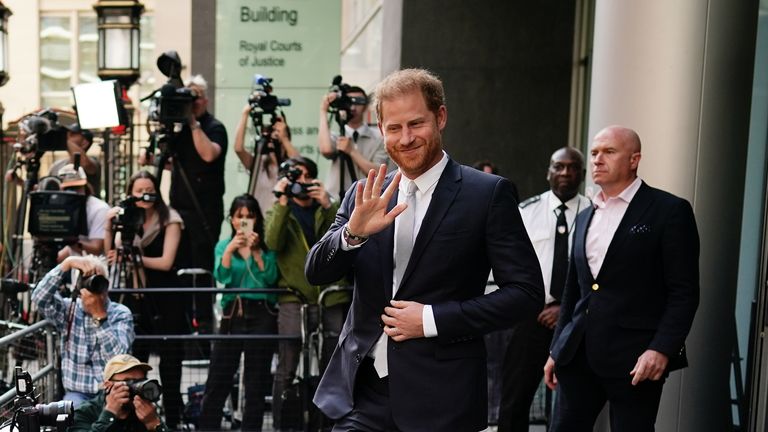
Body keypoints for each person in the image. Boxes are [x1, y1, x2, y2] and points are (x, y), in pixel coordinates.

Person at [305, 68, 544, 431]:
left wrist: (432, 320)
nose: (406, 138)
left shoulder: (487, 194)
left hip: (443, 399)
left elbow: (526, 294)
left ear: (441, 117)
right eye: (394, 128)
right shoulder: (363, 194)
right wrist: (353, 233)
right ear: (381, 128)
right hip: (361, 397)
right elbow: (317, 273)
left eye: (416, 124)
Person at [543, 126, 700, 431]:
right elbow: (573, 290)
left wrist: (662, 349)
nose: (598, 160)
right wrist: (556, 350)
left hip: (636, 360)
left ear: (634, 160)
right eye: (594, 153)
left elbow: (684, 292)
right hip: (577, 355)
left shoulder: (669, 211)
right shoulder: (587, 214)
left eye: (609, 152)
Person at [496, 147, 591, 431]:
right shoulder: (526, 211)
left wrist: (564, 308)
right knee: (514, 400)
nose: (565, 173)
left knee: (572, 403)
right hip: (531, 318)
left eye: (572, 167)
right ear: (548, 172)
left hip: (577, 320)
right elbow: (510, 266)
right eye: (558, 167)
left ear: (582, 175)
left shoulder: (594, 213)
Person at [264, 156, 348, 430]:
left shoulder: (328, 208)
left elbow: (346, 235)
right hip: (294, 298)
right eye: (293, 177)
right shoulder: (280, 210)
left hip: (331, 296)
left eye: (303, 176)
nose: (299, 182)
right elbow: (272, 242)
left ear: (313, 179)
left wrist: (328, 204)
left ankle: (328, 424)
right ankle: (280, 424)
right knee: (286, 368)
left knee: (333, 366)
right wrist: (281, 202)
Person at [142, 74, 228, 343]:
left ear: (205, 99)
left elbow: (208, 154)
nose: (191, 103)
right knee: (179, 271)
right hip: (178, 212)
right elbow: (163, 162)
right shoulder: (177, 130)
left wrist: (192, 123)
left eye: (195, 97)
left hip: (204, 213)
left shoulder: (213, 127)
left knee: (201, 272)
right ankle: (179, 326)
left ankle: (203, 331)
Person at [103, 170, 186, 428]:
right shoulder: (125, 219)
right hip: (135, 297)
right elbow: (110, 254)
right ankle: (134, 422)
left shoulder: (169, 218)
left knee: (170, 366)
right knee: (135, 363)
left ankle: (171, 420)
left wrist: (134, 257)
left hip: (164, 298)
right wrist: (109, 225)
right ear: (130, 194)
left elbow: (166, 262)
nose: (144, 195)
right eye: (138, 191)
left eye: (149, 189)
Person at [199, 194, 279, 431]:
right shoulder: (224, 245)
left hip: (261, 312)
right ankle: (207, 427)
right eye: (239, 216)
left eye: (249, 216)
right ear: (232, 220)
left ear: (256, 219)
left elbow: (270, 279)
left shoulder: (266, 245)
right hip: (233, 313)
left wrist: (256, 253)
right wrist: (229, 251)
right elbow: (221, 277)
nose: (244, 220)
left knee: (256, 379)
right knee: (219, 374)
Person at [31, 256, 134, 406]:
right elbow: (39, 297)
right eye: (88, 280)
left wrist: (99, 316)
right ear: (79, 286)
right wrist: (67, 264)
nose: (94, 286)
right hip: (77, 393)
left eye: (98, 280)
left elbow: (119, 358)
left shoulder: (121, 313)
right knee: (69, 416)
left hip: (112, 391)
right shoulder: (69, 309)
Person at [318, 85, 389, 200]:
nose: (353, 106)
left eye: (358, 101)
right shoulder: (337, 136)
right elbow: (326, 150)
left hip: (368, 200)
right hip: (336, 201)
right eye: (349, 101)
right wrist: (323, 110)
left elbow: (379, 174)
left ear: (366, 106)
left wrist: (351, 151)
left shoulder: (380, 137)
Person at [69, 354, 170, 432]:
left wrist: (153, 423)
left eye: (140, 381)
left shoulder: (144, 411)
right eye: (129, 382)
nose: (135, 388)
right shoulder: (84, 412)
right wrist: (109, 413)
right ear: (108, 385)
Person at [233, 104, 299, 215]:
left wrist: (284, 138)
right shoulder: (259, 163)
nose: (272, 141)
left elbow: (300, 162)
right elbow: (238, 148)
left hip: (280, 220)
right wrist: (245, 114)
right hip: (258, 220)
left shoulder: (289, 166)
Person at [56, 163, 110, 261]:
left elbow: (96, 248)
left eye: (77, 188)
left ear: (85, 186)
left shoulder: (99, 209)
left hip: (97, 268)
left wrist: (69, 240)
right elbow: (68, 250)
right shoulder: (64, 207)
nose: (73, 193)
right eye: (68, 189)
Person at [48, 124, 101, 197]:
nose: (67, 136)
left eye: (72, 134)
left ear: (84, 143)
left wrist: (66, 140)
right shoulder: (57, 165)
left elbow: (84, 164)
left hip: (84, 206)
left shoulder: (93, 162)